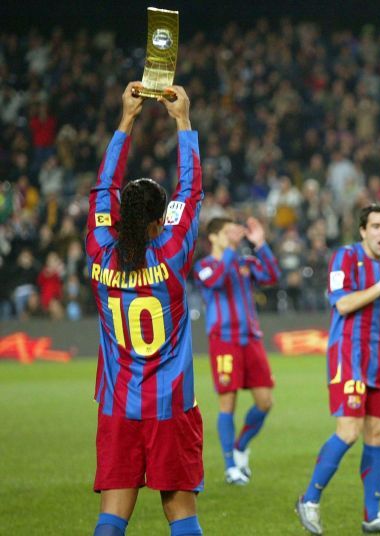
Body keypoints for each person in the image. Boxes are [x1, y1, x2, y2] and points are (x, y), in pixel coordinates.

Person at [86, 83, 204, 536]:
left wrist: (126, 120)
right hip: (171, 407)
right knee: (181, 515)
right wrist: (182, 121)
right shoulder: (171, 251)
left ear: (117, 216)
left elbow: (102, 189)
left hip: (118, 405)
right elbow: (190, 192)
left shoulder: (99, 250)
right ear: (159, 221)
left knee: (112, 517)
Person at [296, 203, 380, 535]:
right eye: (377, 226)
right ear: (363, 231)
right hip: (349, 354)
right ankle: (309, 500)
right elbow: (342, 304)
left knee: (378, 433)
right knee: (349, 430)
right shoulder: (345, 257)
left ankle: (372, 515)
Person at [193, 216, 281, 485]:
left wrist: (261, 244)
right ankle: (231, 466)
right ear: (214, 238)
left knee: (265, 401)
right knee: (227, 404)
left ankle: (241, 445)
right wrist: (231, 249)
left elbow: (272, 276)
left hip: (250, 338)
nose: (234, 236)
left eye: (236, 232)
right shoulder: (204, 267)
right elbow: (217, 281)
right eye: (228, 232)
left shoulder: (244, 262)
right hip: (224, 341)